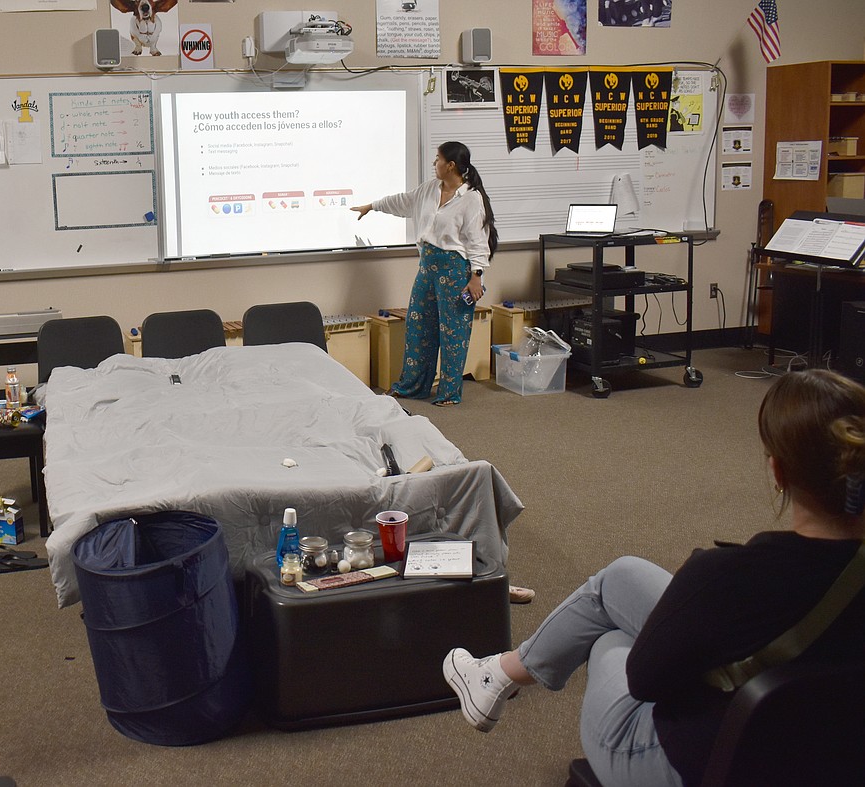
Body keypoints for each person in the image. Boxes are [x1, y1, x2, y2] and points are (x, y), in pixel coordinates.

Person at [443, 369, 865, 787]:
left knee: (608, 638)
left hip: (710, 764)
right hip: (838, 753)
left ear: (778, 473)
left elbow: (648, 680)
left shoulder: (732, 578)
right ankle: (498, 674)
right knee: (621, 577)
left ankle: (496, 676)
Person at [352, 140, 498, 407]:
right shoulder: (430, 189)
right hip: (427, 267)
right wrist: (372, 206)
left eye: (438, 159)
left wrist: (477, 276)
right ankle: (414, 386)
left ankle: (449, 394)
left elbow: (479, 240)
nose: (434, 163)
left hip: (455, 270)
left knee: (452, 333)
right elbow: (404, 202)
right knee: (418, 327)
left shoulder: (471, 198)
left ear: (451, 165)